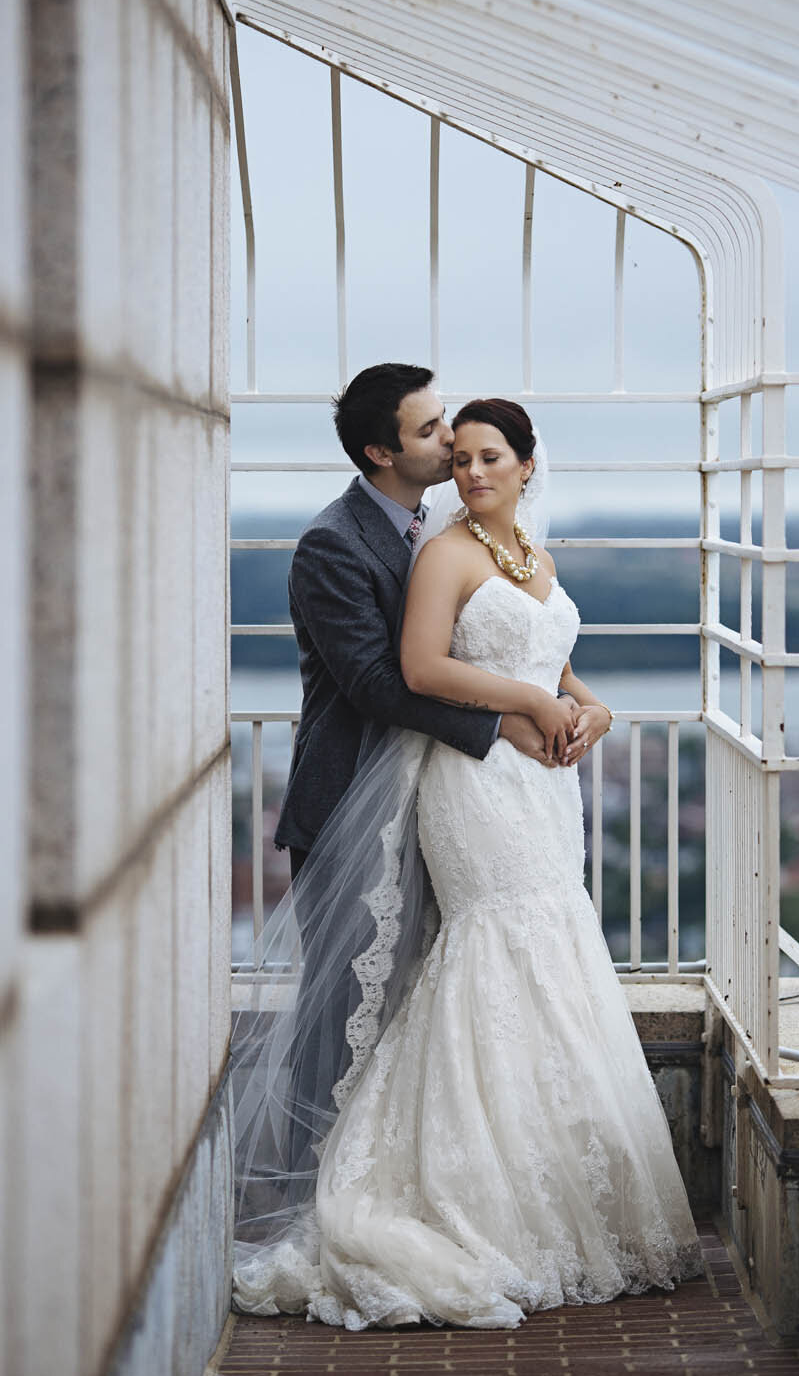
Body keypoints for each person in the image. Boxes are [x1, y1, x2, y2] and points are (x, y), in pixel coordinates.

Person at [232, 397, 703, 1327]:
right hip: (478, 783)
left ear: (530, 466)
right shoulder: (444, 553)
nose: (472, 470)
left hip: (543, 785)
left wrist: (591, 710)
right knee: (491, 951)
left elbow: (557, 660)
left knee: (556, 947)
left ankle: (558, 1195)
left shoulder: (532, 556)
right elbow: (416, 669)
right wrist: (522, 709)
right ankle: (469, 1195)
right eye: (461, 458)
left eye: (491, 456)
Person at [269, 365, 579, 1186]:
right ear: (380, 451)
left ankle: (440, 1174)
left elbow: (514, 635)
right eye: (432, 431)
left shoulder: (443, 528)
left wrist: (577, 704)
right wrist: (510, 720)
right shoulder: (332, 545)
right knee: (343, 1007)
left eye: (452, 427)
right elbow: (379, 681)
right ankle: (308, 1193)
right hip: (351, 801)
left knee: (438, 1001)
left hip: (452, 796)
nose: (452, 445)